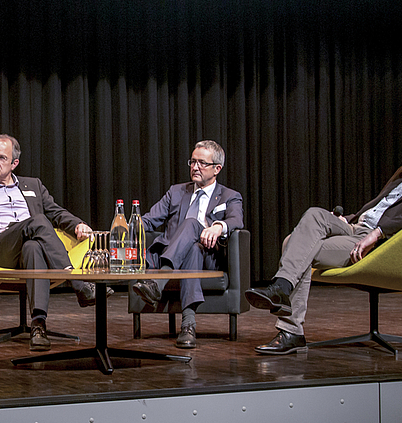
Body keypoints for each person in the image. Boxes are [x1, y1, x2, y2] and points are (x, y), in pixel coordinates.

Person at [0, 134, 111, 351]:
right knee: (39, 221)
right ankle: (79, 284)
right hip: (0, 249)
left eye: (1, 158)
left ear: (14, 163)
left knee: (32, 246)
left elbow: (57, 212)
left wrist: (78, 224)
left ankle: (38, 326)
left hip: (29, 250)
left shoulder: (33, 185)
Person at [245, 166, 402, 355]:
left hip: (378, 242)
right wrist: (347, 220)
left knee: (296, 247)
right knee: (314, 214)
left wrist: (378, 233)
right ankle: (282, 290)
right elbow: (376, 210)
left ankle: (290, 326)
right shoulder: (399, 175)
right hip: (356, 226)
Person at [131, 140, 244, 349]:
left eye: (202, 163)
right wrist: (125, 226)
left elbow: (237, 221)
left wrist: (218, 226)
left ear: (217, 169)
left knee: (193, 225)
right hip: (174, 252)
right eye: (192, 162)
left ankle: (158, 282)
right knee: (192, 248)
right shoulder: (176, 192)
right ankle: (188, 325)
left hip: (209, 260)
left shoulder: (229, 196)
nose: (195, 167)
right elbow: (148, 220)